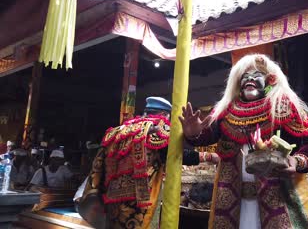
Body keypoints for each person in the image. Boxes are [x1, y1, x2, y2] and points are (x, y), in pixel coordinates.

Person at [180, 54, 308, 229]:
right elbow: (207, 136)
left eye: (255, 75)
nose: (249, 79)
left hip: (277, 197)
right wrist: (193, 134)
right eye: (244, 76)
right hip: (233, 199)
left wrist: (296, 161)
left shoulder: (282, 107)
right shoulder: (226, 112)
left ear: (269, 80)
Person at [80, 97, 219, 229]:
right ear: (165, 115)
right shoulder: (157, 129)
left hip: (111, 198)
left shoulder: (120, 130)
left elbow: (98, 163)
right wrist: (208, 156)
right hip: (140, 201)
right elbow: (175, 155)